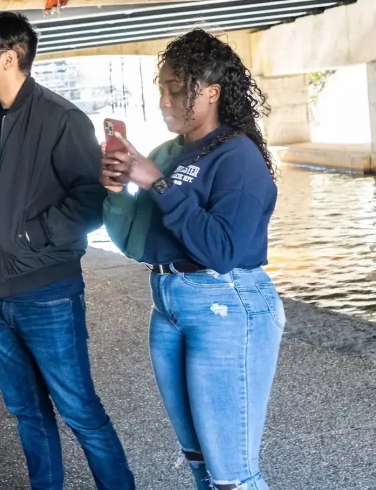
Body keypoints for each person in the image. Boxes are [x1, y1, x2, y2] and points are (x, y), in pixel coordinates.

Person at [100, 29, 284, 490]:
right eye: (162, 87)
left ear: (212, 91)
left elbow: (221, 251)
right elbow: (135, 241)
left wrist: (159, 184)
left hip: (225, 304)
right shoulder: (170, 152)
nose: (165, 99)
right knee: (200, 462)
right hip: (169, 305)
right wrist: (118, 188)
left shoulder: (236, 156)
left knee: (232, 476)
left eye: (177, 89)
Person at [0, 12, 136, 490]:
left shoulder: (62, 119)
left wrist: (27, 239)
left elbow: (91, 199)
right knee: (27, 413)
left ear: (9, 56)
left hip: (46, 293)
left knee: (79, 409)